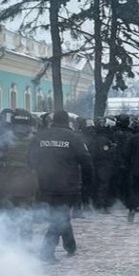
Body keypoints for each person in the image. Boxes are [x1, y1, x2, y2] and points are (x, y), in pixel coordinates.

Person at [28, 110, 93, 262]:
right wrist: (88, 185)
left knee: (60, 214)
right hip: (67, 186)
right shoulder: (74, 138)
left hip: (44, 184)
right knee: (59, 217)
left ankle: (70, 245)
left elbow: (30, 159)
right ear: (68, 121)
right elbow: (87, 161)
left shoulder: (40, 136)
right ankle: (47, 252)